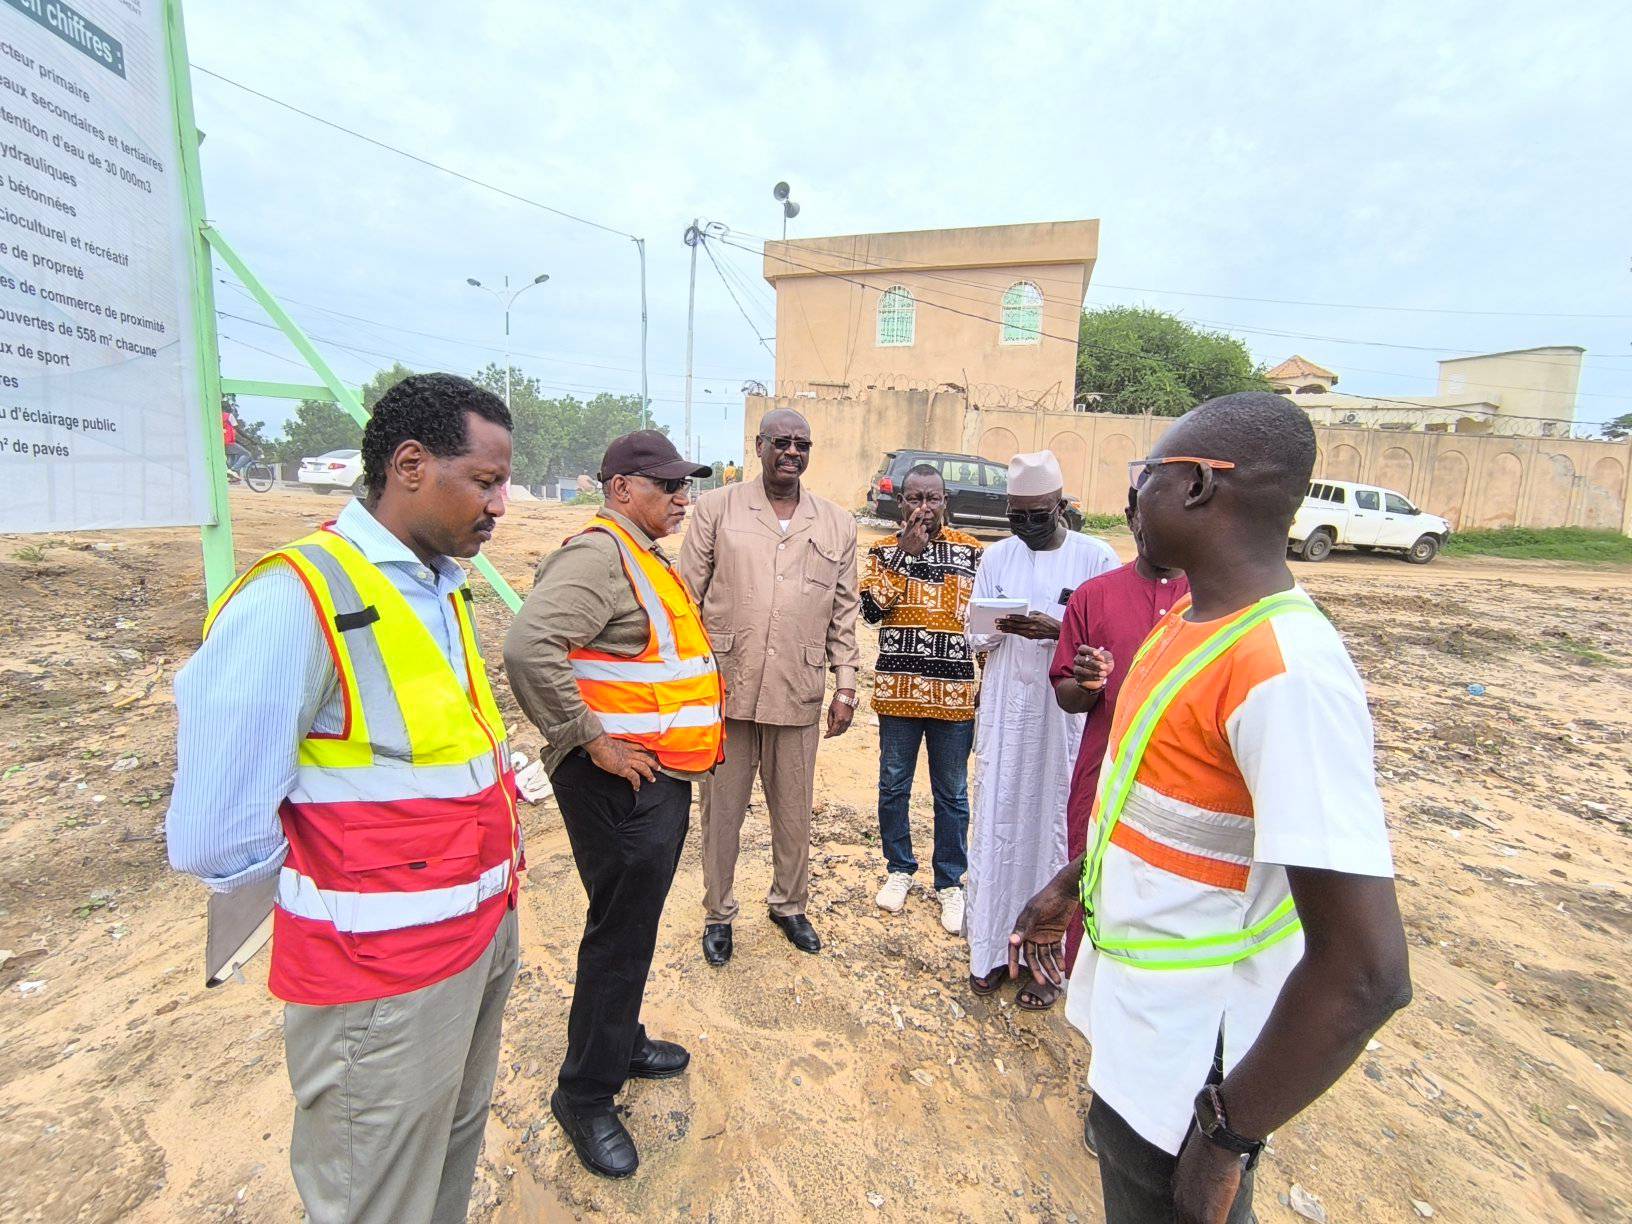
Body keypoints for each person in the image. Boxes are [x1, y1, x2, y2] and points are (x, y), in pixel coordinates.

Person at [1009, 392, 1410, 1224]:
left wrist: (1227, 1136)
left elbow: (1367, 973)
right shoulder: (1188, 623)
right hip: (1141, 1028)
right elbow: (1159, 810)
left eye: (1146, 476)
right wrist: (1072, 884)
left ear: (1195, 486)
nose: (1136, 496)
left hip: (1199, 1060)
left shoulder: (1288, 669)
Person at [167, 373, 529, 1224]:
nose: (503, 505)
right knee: (374, 1195)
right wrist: (347, 903)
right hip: (380, 980)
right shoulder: (297, 597)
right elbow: (215, 830)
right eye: (485, 481)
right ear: (409, 465)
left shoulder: (439, 585)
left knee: (444, 1157)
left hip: (476, 941)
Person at [503, 429, 719, 1179]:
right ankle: (586, 1095)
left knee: (629, 921)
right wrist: (590, 740)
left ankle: (620, 1041)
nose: (682, 498)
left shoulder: (639, 555)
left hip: (648, 775)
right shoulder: (599, 555)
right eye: (668, 486)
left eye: (685, 484)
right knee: (619, 933)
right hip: (617, 778)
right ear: (623, 488)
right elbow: (530, 647)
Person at [681, 409, 860, 963]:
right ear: (758, 446)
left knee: (793, 811)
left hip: (797, 690)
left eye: (801, 444)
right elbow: (686, 599)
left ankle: (789, 904)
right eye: (780, 442)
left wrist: (846, 685)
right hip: (726, 691)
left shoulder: (837, 523)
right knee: (721, 815)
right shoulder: (716, 510)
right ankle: (718, 912)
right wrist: (686, 687)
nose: (791, 452)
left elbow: (844, 613)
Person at [964, 450, 1119, 1007]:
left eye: (1038, 513)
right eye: (1017, 514)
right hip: (1009, 713)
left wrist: (1056, 628)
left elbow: (1111, 648)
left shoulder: (1097, 558)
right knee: (1000, 823)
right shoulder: (998, 558)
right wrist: (997, 627)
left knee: (1057, 828)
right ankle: (989, 950)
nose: (1027, 524)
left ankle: (1047, 968)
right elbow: (973, 635)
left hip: (1063, 723)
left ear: (1061, 506)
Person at [1049, 487, 1190, 971]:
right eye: (1151, 512)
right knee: (1088, 881)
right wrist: (1087, 684)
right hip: (1102, 775)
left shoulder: (1212, 600)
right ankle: (1075, 980)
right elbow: (1066, 695)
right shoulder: (1095, 596)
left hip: (1184, 788)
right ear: (1131, 517)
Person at [860, 463, 983, 934]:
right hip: (898, 695)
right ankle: (899, 869)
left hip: (953, 699)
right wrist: (905, 558)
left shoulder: (973, 553)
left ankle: (950, 881)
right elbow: (871, 611)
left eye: (932, 499)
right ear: (901, 502)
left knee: (951, 793)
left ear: (945, 501)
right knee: (893, 786)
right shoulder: (881, 551)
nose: (924, 509)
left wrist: (986, 688)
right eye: (914, 499)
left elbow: (983, 628)